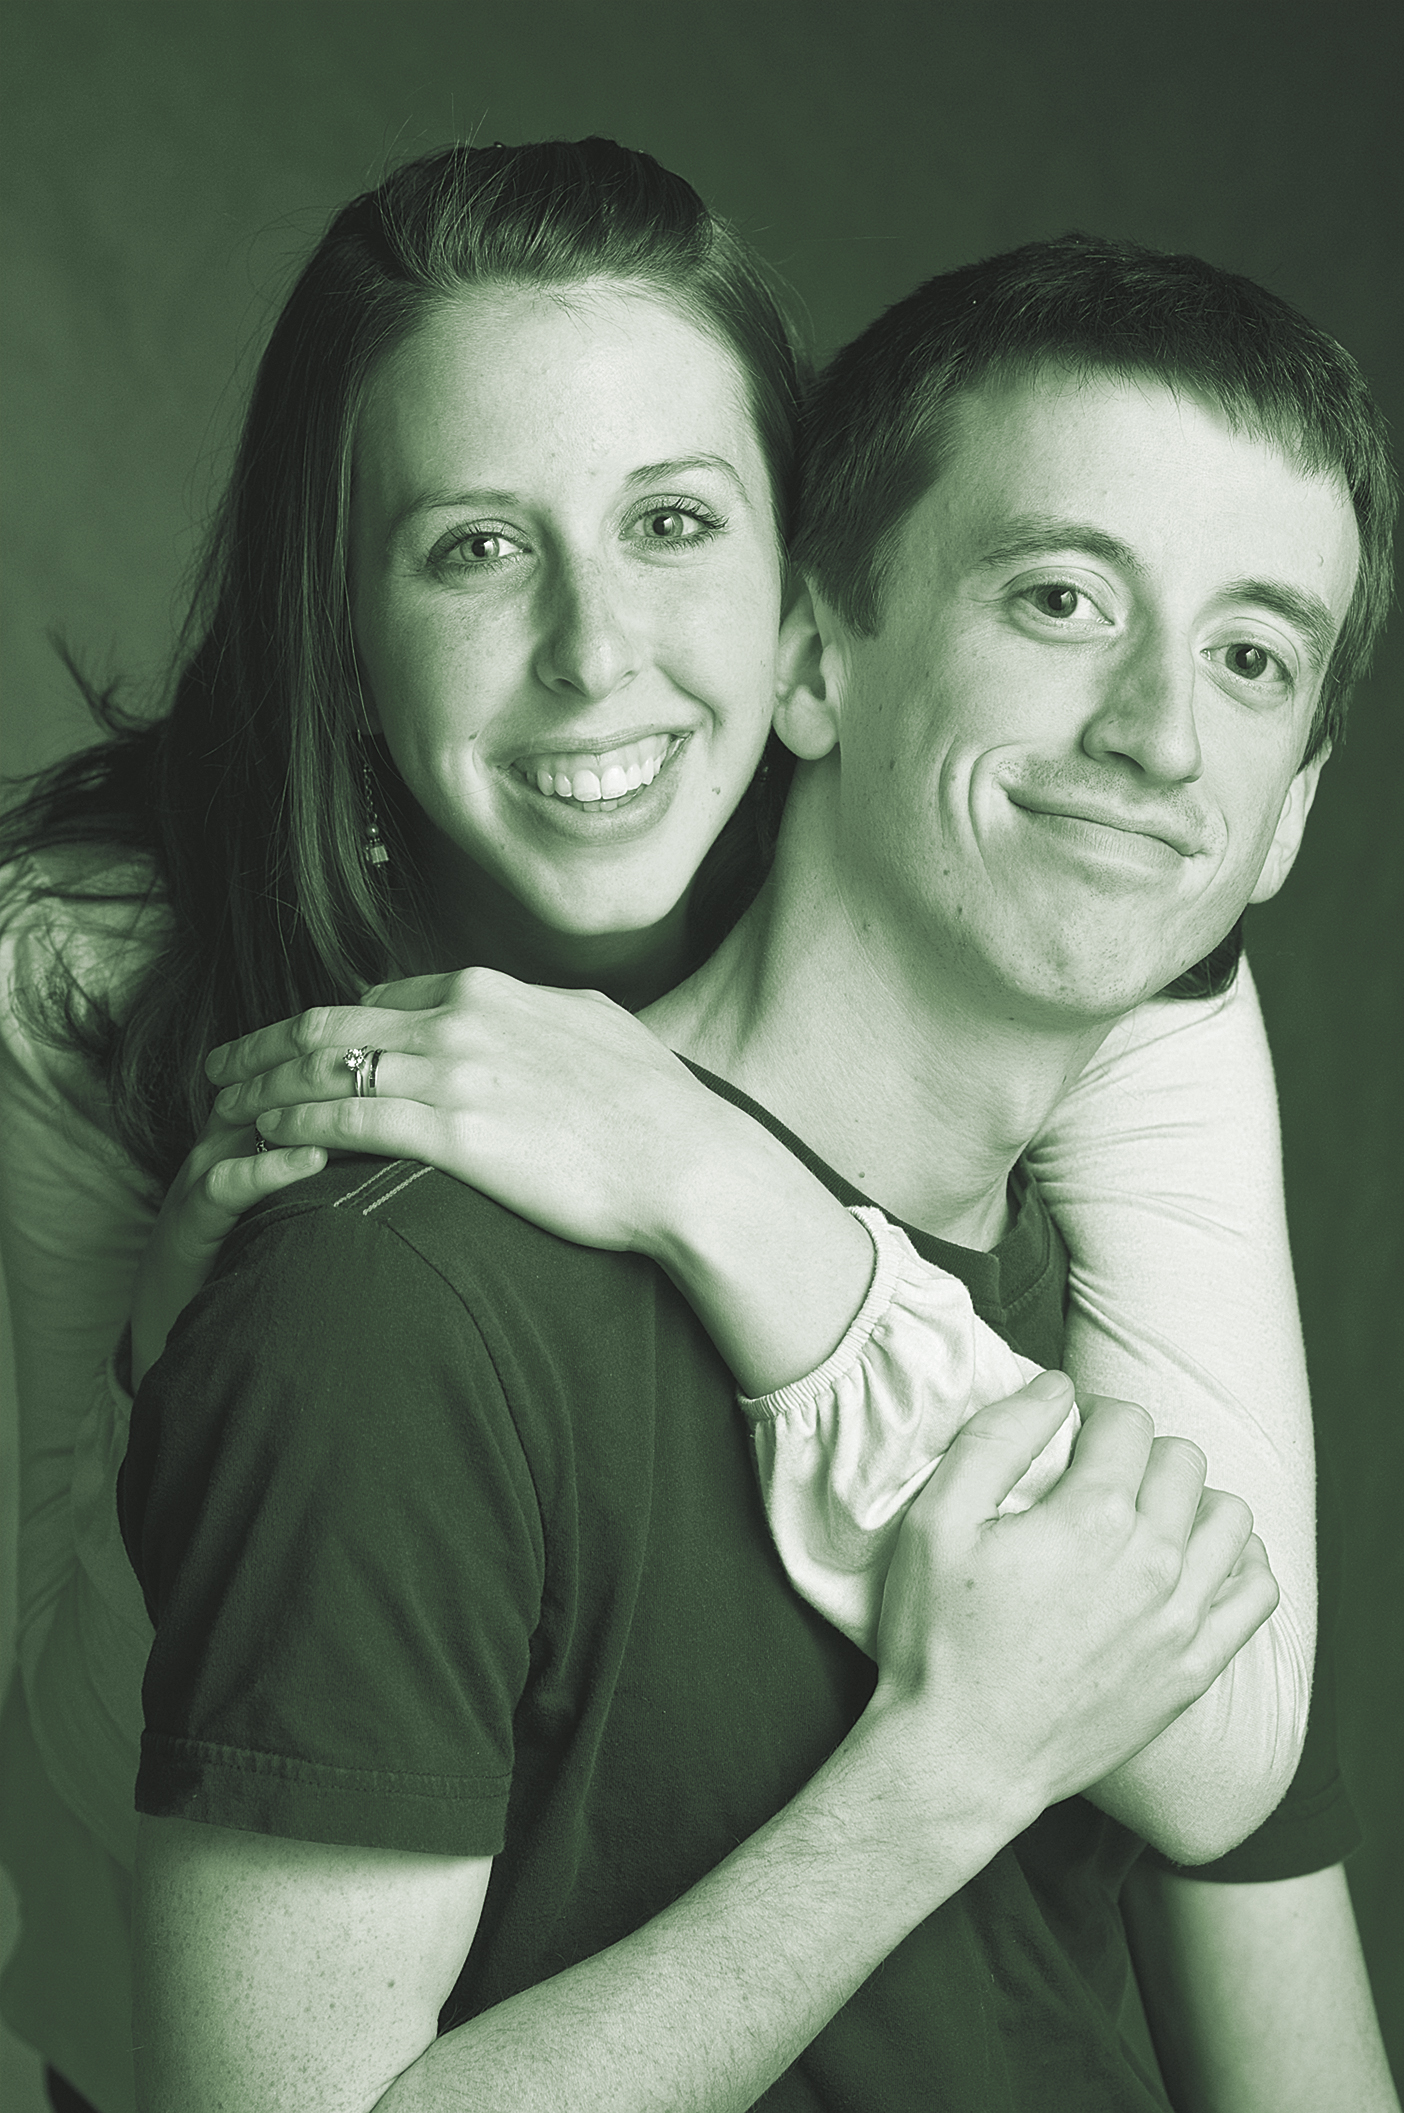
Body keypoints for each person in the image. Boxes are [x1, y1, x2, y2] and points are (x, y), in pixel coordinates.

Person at [0, 138, 1389, 2105]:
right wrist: (171, 1367)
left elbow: (1230, 1761)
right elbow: (92, 1795)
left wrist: (715, 1177)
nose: (1159, 739)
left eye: (672, 521)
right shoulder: (158, 1026)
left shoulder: (1106, 990)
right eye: (474, 545)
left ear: (784, 609)